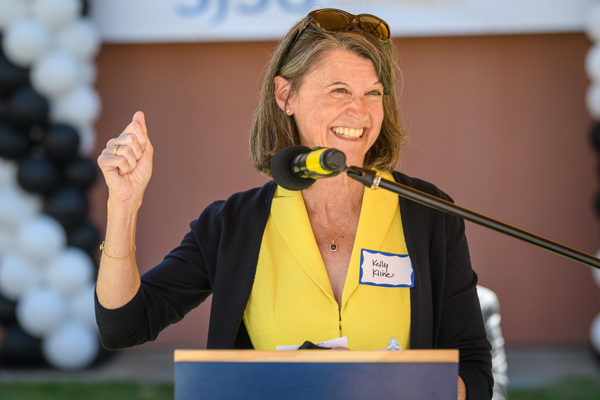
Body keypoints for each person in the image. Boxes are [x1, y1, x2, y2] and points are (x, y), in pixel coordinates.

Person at [95, 8, 493, 399]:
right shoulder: (233, 226)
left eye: (373, 93)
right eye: (339, 90)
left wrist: (386, 384)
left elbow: (475, 375)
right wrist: (123, 206)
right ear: (286, 95)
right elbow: (124, 326)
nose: (360, 112)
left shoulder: (428, 213)